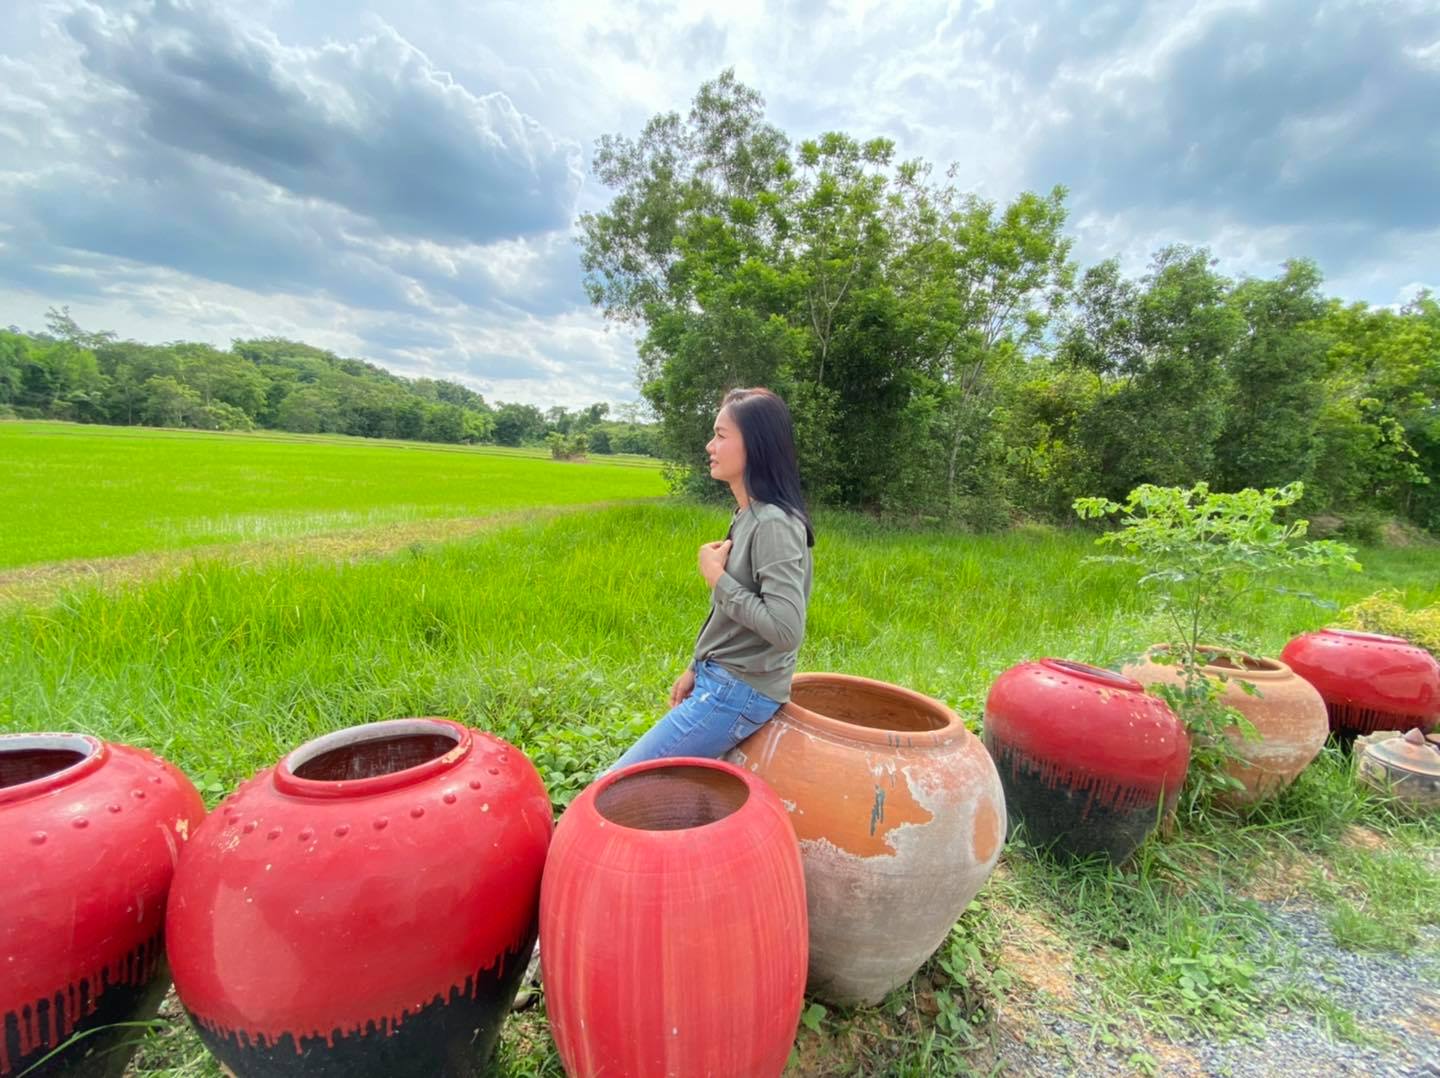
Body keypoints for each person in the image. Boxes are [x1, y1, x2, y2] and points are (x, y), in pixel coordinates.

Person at [608, 386, 816, 772]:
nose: (709, 445)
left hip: (739, 691)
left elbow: (786, 630)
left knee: (615, 783)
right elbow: (733, 618)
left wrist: (716, 576)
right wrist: (697, 664)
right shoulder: (748, 513)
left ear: (755, 445)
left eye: (721, 435)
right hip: (722, 679)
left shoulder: (774, 523)